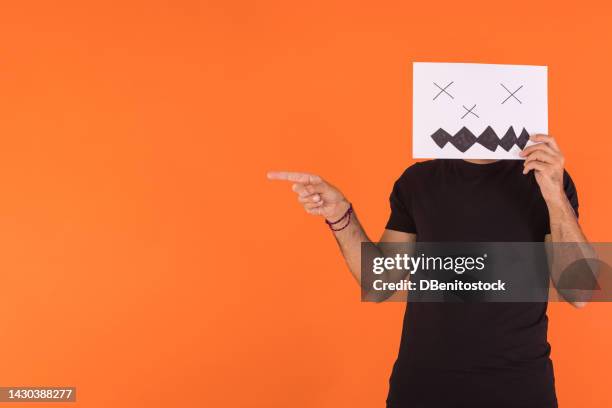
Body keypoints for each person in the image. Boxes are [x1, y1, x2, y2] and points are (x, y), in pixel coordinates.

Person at [268, 134, 589, 408]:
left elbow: (579, 292)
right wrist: (340, 215)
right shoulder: (418, 181)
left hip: (520, 390)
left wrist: (554, 195)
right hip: (422, 388)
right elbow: (379, 283)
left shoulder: (546, 182)